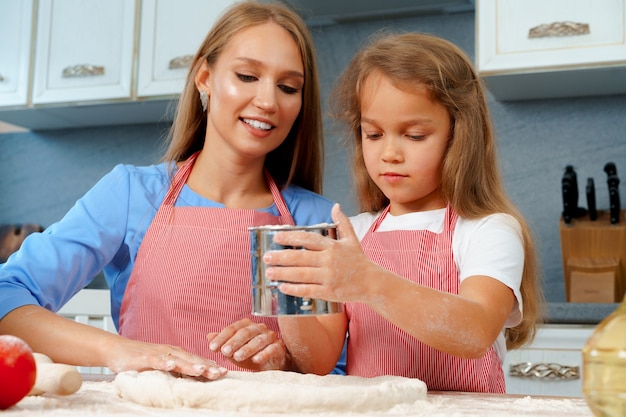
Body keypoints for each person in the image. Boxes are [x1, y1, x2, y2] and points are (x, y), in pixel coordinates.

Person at [0, 0, 336, 379]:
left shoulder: (315, 220)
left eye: (288, 87)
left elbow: (337, 373)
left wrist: (284, 363)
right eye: (246, 76)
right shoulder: (130, 194)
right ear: (204, 78)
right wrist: (118, 350)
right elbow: (6, 294)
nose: (268, 101)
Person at [265, 32, 545, 393]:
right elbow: (319, 361)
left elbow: (475, 332)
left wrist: (369, 282)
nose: (389, 153)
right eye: (374, 134)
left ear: (460, 136)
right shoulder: (357, 233)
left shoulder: (488, 230)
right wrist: (290, 294)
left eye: (413, 135)